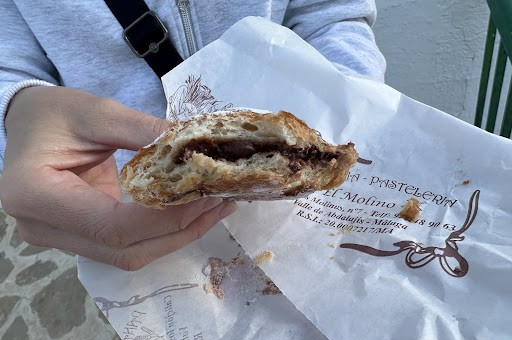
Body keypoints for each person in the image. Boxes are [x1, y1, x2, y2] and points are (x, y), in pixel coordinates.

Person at [0, 0, 386, 271]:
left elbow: (331, 14)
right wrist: (15, 111)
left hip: (306, 213)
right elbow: (8, 65)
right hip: (124, 207)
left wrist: (344, 96)